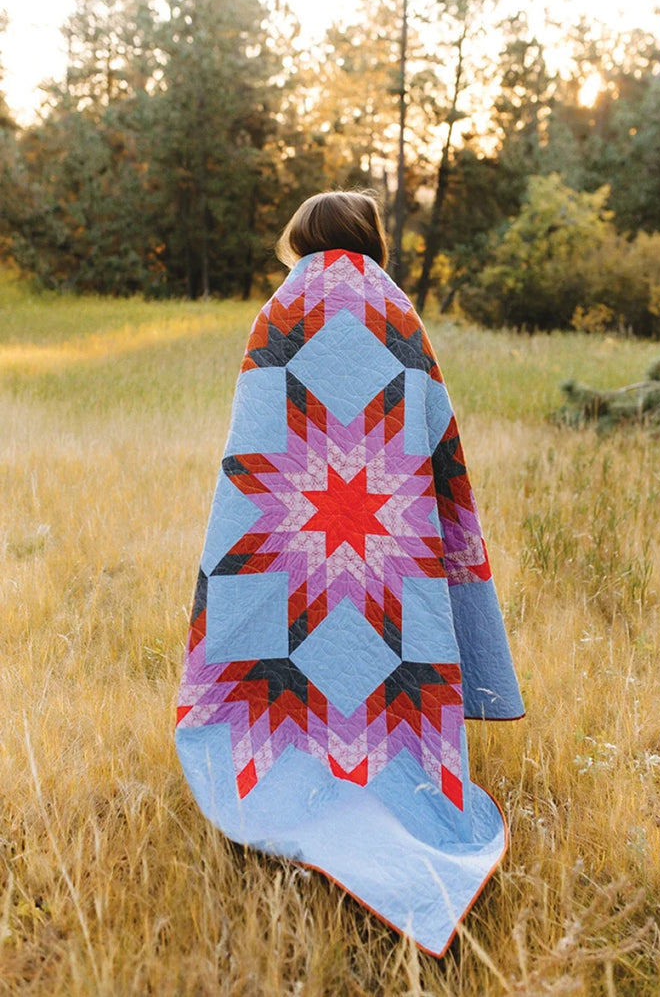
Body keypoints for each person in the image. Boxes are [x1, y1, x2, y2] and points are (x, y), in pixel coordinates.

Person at [175, 190, 524, 956]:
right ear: (370, 239)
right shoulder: (398, 314)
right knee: (382, 641)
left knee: (304, 640)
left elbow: (251, 453)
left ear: (302, 238)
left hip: (292, 541)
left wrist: (250, 536)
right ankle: (397, 783)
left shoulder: (282, 311)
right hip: (392, 537)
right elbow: (437, 435)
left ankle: (284, 773)